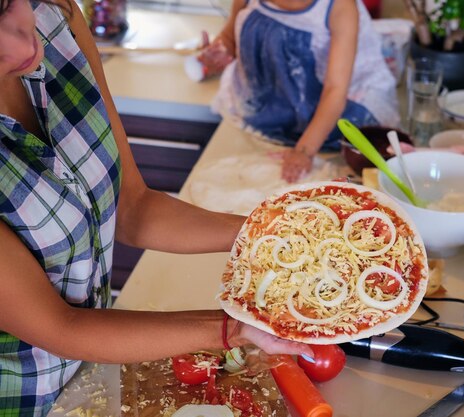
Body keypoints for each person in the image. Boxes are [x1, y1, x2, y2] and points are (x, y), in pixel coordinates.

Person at [0, 0, 313, 415]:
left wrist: (280, 234)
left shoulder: (59, 21)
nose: (21, 45)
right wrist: (235, 328)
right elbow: (62, 327)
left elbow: (134, 209)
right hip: (25, 400)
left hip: (90, 373)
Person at [197, 0, 400, 183]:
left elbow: (335, 90)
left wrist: (304, 151)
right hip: (263, 106)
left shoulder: (339, 7)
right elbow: (230, 39)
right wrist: (217, 54)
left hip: (326, 117)